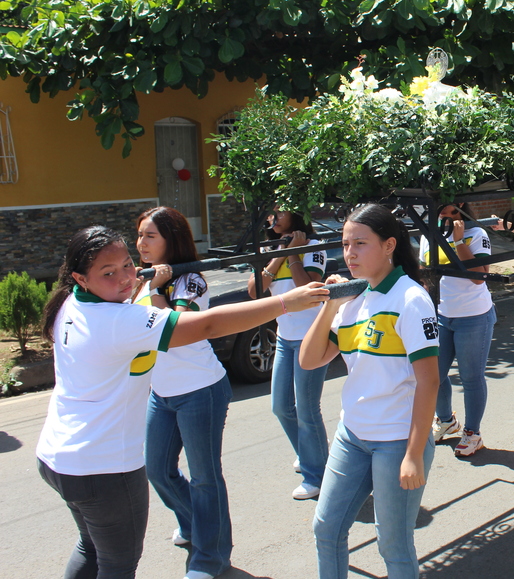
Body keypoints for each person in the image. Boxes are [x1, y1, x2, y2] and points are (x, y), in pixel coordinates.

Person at [37, 226, 327, 579]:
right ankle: (203, 541)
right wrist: (286, 302)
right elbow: (205, 325)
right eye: (108, 273)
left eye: (127, 265)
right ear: (80, 278)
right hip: (103, 468)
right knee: (116, 564)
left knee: (92, 547)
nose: (127, 277)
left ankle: (209, 552)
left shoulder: (71, 304)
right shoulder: (118, 320)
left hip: (58, 458)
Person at [300, 204, 440, 579]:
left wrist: (414, 454)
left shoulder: (411, 300)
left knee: (393, 545)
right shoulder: (352, 300)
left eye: (360, 244)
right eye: (346, 244)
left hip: (396, 440)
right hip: (353, 436)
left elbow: (429, 381)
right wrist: (330, 307)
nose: (350, 254)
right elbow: (310, 359)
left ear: (389, 245)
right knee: (326, 529)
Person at [135, 207, 233, 579]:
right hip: (162, 392)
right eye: (140, 235)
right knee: (158, 469)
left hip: (200, 390)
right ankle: (197, 523)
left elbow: (173, 330)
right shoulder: (145, 280)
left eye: (150, 236)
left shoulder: (189, 280)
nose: (141, 244)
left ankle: (211, 556)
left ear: (171, 239)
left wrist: (158, 288)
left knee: (205, 477)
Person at [247, 208, 329, 500]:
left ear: (297, 217)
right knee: (281, 406)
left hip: (311, 338)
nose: (273, 217)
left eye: (280, 213)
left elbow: (306, 288)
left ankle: (316, 475)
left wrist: (294, 254)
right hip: (285, 338)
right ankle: (310, 455)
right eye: (270, 214)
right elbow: (255, 291)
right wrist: (281, 253)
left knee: (307, 409)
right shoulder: (275, 249)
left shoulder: (313, 249)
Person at [421, 202, 496, 457]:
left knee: (471, 377)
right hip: (442, 315)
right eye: (436, 206)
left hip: (474, 317)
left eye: (445, 205)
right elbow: (426, 273)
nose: (439, 209)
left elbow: (479, 277)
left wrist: (459, 242)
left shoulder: (476, 233)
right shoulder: (428, 234)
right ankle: (446, 421)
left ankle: (473, 433)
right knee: (436, 376)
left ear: (459, 206)